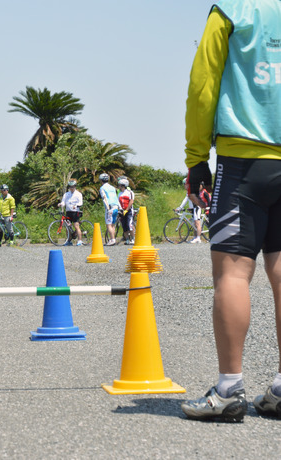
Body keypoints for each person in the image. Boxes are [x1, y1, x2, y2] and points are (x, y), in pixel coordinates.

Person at [181, 0, 281, 422]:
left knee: (233, 272)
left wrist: (196, 155)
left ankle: (228, 390)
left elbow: (204, 83)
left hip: (244, 161)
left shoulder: (234, 8)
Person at [176, 178, 206, 244]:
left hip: (197, 207)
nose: (184, 186)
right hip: (193, 208)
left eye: (185, 184)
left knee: (197, 223)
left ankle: (198, 238)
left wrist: (180, 207)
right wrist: (180, 207)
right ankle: (195, 237)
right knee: (194, 224)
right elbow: (186, 199)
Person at [58, 179, 84, 246]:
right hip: (68, 212)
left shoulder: (78, 194)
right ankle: (69, 241)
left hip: (75, 212)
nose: (71, 188)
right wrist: (61, 204)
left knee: (76, 226)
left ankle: (80, 240)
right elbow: (63, 202)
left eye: (73, 187)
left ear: (75, 186)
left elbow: (80, 203)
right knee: (68, 227)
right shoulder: (66, 194)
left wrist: (76, 206)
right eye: (70, 187)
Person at [98, 173, 120, 246]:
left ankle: (112, 240)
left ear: (101, 180)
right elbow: (116, 197)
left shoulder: (102, 188)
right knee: (113, 224)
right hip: (116, 206)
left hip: (109, 207)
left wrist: (108, 208)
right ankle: (113, 239)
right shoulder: (112, 187)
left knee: (108, 225)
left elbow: (104, 198)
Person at [116, 178, 135, 245]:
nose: (119, 187)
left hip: (129, 211)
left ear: (123, 185)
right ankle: (127, 239)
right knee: (124, 226)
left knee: (130, 224)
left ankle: (133, 238)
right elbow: (118, 202)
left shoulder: (130, 192)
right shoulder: (119, 193)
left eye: (120, 185)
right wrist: (120, 209)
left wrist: (127, 210)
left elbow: (131, 201)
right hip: (122, 211)